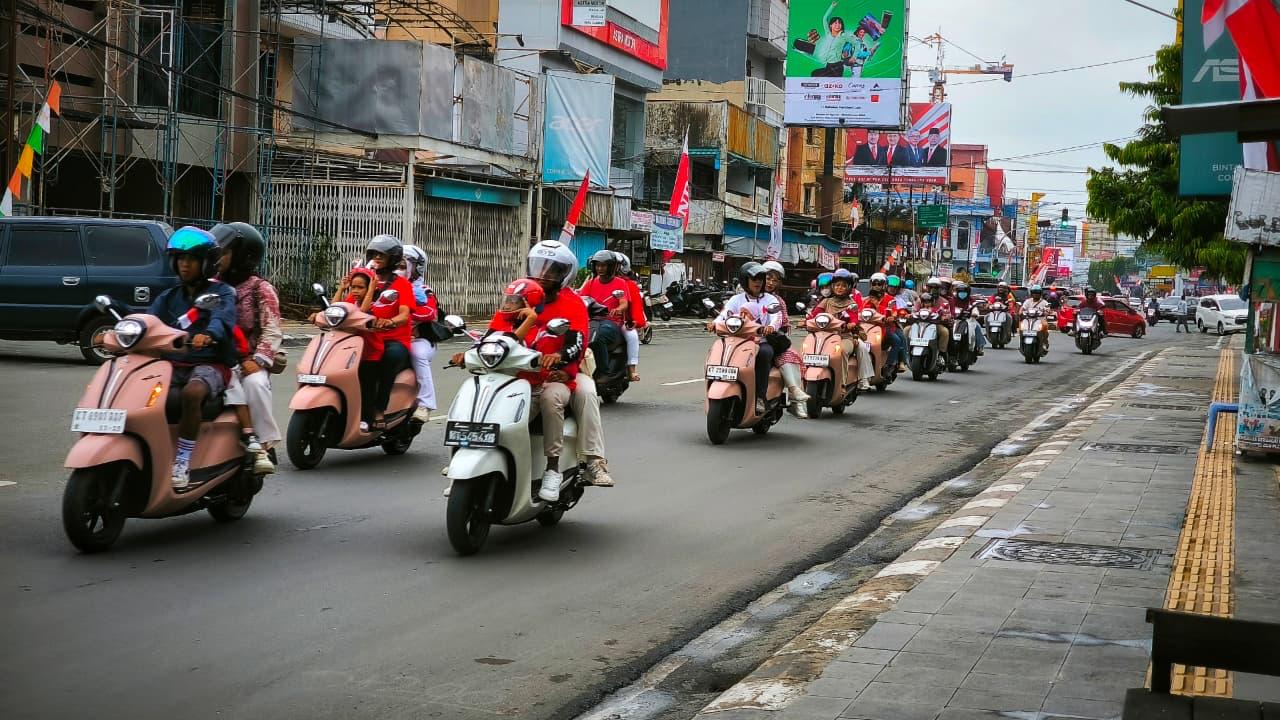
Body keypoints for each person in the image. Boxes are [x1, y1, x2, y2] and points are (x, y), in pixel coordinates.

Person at [148, 226, 238, 489]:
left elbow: (222, 318)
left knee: (192, 392)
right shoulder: (170, 296)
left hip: (210, 363)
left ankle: (183, 461)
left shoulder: (222, 292)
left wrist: (209, 334)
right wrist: (120, 331)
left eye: (191, 259)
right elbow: (149, 320)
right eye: (180, 259)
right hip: (173, 363)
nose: (185, 265)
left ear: (207, 263)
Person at [527, 240, 613, 490]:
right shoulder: (521, 295)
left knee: (587, 394)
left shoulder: (572, 303)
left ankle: (594, 461)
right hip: (523, 368)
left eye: (551, 270)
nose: (543, 275)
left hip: (565, 370)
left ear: (564, 275)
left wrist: (563, 367)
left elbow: (578, 342)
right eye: (539, 267)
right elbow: (501, 327)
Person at [212, 221, 280, 476]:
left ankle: (261, 446)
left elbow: (272, 330)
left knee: (255, 385)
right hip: (213, 358)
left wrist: (258, 360)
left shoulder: (261, 288)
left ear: (243, 256)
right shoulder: (210, 284)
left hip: (247, 360)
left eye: (224, 253)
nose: (217, 258)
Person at [713, 262, 787, 413]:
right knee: (719, 349)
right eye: (754, 279)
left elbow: (777, 316)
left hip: (761, 342)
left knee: (765, 353)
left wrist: (771, 327)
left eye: (761, 279)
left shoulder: (770, 299)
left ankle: (760, 396)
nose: (758, 282)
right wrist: (714, 324)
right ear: (744, 280)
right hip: (737, 340)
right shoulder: (736, 299)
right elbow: (725, 314)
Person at [361, 235, 415, 432]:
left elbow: (404, 315)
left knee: (388, 358)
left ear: (392, 259)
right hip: (365, 335)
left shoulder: (402, 285)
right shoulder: (364, 281)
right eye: (374, 254)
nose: (376, 258)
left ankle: (378, 410)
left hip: (393, 339)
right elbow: (347, 304)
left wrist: (390, 322)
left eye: (381, 255)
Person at [807, 268, 874, 391]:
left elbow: (854, 319)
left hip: (844, 337)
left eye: (843, 286)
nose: (840, 288)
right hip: (823, 336)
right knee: (807, 347)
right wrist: (805, 321)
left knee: (841, 351)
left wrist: (852, 324)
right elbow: (814, 315)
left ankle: (841, 384)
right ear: (832, 286)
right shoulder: (826, 301)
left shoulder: (851, 303)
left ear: (849, 288)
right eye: (837, 285)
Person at [762, 260, 811, 418]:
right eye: (768, 278)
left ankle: (795, 396)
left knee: (790, 357)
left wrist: (773, 329)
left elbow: (783, 324)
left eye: (775, 280)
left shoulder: (778, 301)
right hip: (745, 339)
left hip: (770, 340)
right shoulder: (745, 297)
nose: (770, 283)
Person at [400, 245, 439, 423]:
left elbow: (429, 313)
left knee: (418, 354)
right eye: (398, 262)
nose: (402, 266)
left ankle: (425, 404)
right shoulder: (385, 286)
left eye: (407, 262)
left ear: (418, 266)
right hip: (392, 336)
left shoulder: (423, 290)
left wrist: (403, 313)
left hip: (419, 339)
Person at [800, 1, 859, 77]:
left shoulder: (843, 35)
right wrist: (832, 6)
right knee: (814, 74)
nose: (838, 25)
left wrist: (854, 57)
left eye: (839, 23)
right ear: (830, 25)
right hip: (828, 65)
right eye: (835, 23)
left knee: (831, 82)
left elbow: (857, 43)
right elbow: (824, 19)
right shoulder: (828, 34)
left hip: (837, 66)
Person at [614, 252, 647, 381]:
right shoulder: (593, 282)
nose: (603, 269)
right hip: (597, 320)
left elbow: (636, 308)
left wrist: (634, 321)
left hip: (619, 322)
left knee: (632, 336)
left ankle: (632, 369)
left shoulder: (629, 285)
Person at [866, 272, 908, 373]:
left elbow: (894, 311)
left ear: (884, 285)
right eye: (874, 284)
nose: (877, 286)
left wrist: (892, 316)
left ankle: (889, 365)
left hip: (885, 327)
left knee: (897, 340)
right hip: (868, 328)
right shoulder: (866, 299)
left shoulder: (890, 299)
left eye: (879, 284)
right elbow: (860, 311)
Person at [951, 281, 986, 355]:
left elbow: (975, 308)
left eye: (964, 292)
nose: (962, 294)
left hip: (969, 320)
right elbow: (948, 308)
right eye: (960, 292)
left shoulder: (971, 300)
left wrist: (975, 313)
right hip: (954, 320)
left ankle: (980, 346)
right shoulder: (952, 300)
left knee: (977, 327)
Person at [918, 291, 953, 359]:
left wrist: (944, 317)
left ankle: (941, 353)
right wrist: (908, 315)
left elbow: (943, 314)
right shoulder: (919, 310)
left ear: (932, 303)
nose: (927, 304)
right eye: (925, 302)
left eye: (929, 302)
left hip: (934, 326)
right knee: (907, 330)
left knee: (945, 331)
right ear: (922, 303)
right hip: (920, 327)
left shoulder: (936, 310)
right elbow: (912, 313)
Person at [1021, 285, 1052, 352]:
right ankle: (1021, 343)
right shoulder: (1028, 301)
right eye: (1034, 292)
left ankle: (1044, 343)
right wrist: (1020, 312)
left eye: (1037, 292)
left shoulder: (1044, 302)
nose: (1035, 294)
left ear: (1040, 293)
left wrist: (1046, 312)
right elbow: (1022, 308)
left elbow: (1048, 310)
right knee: (1022, 327)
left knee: (1045, 328)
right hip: (1028, 320)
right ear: (1031, 293)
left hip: (1040, 320)